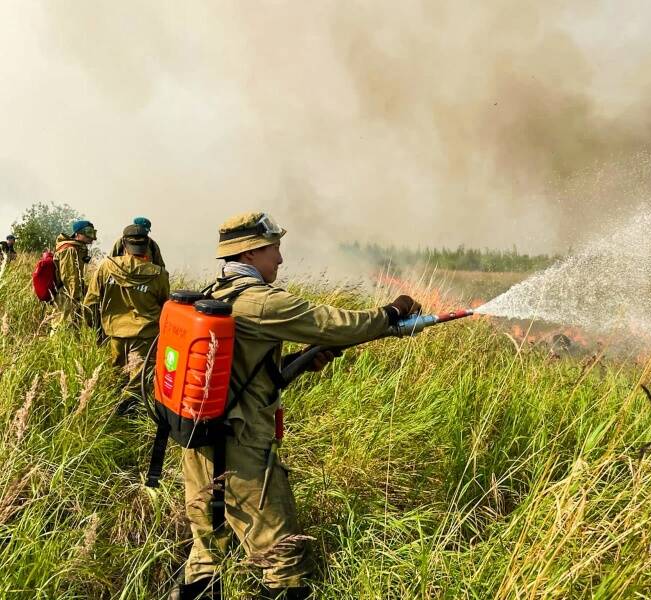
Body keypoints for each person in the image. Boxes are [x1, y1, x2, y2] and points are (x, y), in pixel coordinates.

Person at [173, 212, 420, 600]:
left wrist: (300, 361)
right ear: (252, 252)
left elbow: (243, 373)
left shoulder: (213, 294)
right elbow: (337, 324)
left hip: (198, 441)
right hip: (243, 450)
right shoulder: (260, 302)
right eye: (275, 249)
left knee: (208, 549)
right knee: (282, 557)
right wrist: (392, 312)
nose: (281, 260)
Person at [84, 224, 170, 414]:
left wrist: (97, 331)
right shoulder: (159, 274)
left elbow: (89, 303)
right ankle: (127, 421)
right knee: (137, 385)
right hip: (145, 338)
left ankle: (110, 417)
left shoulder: (106, 267)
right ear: (147, 244)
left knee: (113, 378)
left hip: (113, 335)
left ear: (124, 243)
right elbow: (166, 307)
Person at [53, 220, 97, 326]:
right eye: (87, 232)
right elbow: (69, 277)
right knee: (62, 324)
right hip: (66, 293)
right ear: (77, 234)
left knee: (73, 324)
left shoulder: (78, 248)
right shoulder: (69, 249)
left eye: (92, 232)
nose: (91, 236)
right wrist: (76, 296)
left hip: (73, 291)